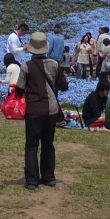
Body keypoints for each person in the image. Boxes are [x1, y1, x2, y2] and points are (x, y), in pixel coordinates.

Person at [20, 31, 67, 189]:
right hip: (51, 110)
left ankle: (32, 181)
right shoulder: (54, 64)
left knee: (31, 145)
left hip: (33, 109)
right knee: (48, 144)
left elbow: (20, 88)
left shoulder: (26, 66)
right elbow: (64, 85)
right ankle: (49, 177)